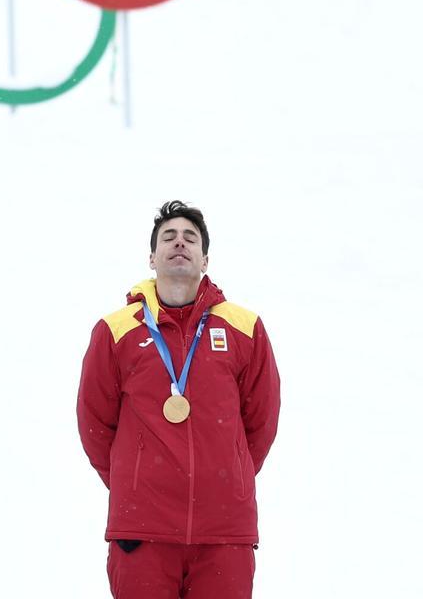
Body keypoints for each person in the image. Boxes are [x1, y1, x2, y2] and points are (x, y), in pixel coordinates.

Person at [78, 201, 281, 599]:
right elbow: (95, 424)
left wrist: (226, 476)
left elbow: (261, 421)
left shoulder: (244, 328)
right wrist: (134, 480)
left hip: (224, 531)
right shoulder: (115, 331)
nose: (180, 243)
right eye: (168, 237)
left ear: (205, 259)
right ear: (152, 258)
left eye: (191, 237)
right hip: (142, 530)